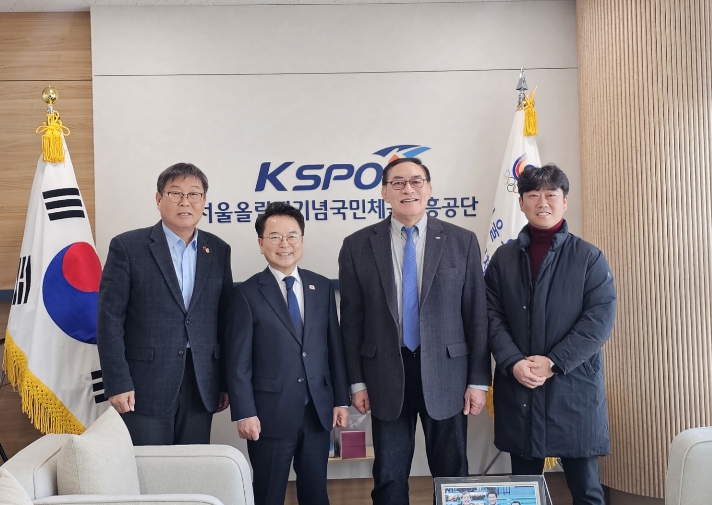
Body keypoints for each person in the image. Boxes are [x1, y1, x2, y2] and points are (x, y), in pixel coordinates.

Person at [338, 157, 491, 505]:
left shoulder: (462, 241)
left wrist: (478, 381)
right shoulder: (357, 245)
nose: (408, 189)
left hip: (448, 373)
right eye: (398, 182)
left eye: (416, 181)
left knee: (452, 474)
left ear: (429, 188)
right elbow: (352, 321)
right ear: (384, 192)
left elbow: (476, 316)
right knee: (389, 476)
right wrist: (357, 382)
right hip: (384, 373)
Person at [485, 164, 616, 505]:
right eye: (533, 195)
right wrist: (513, 361)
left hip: (572, 389)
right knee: (523, 492)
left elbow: (599, 320)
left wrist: (553, 362)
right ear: (521, 203)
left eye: (550, 195)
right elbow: (490, 315)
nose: (542, 202)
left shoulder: (588, 257)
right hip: (520, 386)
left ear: (564, 201)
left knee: (586, 490)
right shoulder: (503, 258)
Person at [97, 162, 233, 445]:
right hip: (143, 384)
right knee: (149, 467)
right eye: (175, 193)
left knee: (192, 466)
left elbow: (224, 321)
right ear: (159, 199)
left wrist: (224, 381)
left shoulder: (218, 250)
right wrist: (117, 381)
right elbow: (109, 320)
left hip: (201, 381)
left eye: (193, 194)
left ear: (204, 201)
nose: (185, 201)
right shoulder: (128, 247)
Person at [225, 202, 350, 505]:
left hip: (317, 412)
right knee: (268, 495)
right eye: (275, 237)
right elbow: (238, 361)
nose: (285, 244)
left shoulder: (321, 287)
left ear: (302, 240)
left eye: (292, 236)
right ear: (261, 243)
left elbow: (334, 349)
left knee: (316, 494)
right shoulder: (246, 294)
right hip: (269, 415)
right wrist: (245, 412)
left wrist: (340, 400)